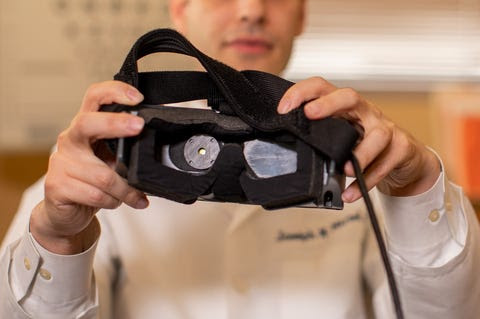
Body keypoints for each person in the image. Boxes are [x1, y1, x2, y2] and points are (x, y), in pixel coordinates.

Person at [1, 0, 479, 318]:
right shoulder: (96, 160)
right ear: (179, 11)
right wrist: (58, 240)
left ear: (301, 15)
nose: (252, 10)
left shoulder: (357, 151)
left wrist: (418, 190)